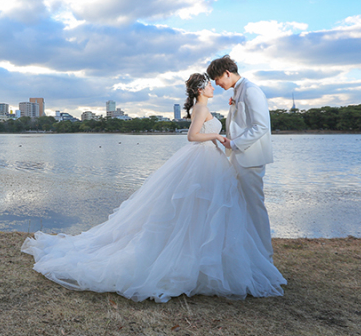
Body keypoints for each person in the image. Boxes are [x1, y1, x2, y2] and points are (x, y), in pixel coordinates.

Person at [21, 73, 286, 302]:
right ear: (199, 89)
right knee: (197, 207)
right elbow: (192, 136)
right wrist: (217, 135)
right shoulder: (201, 109)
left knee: (203, 209)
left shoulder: (203, 106)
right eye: (208, 84)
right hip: (202, 158)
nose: (213, 87)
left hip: (210, 160)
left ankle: (203, 256)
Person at [206, 55, 275, 262]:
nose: (217, 84)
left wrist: (235, 144)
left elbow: (261, 126)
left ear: (227, 73)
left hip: (250, 158)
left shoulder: (251, 90)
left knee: (254, 206)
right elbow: (241, 123)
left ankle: (265, 257)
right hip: (239, 155)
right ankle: (250, 253)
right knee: (242, 205)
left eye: (217, 79)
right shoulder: (238, 91)